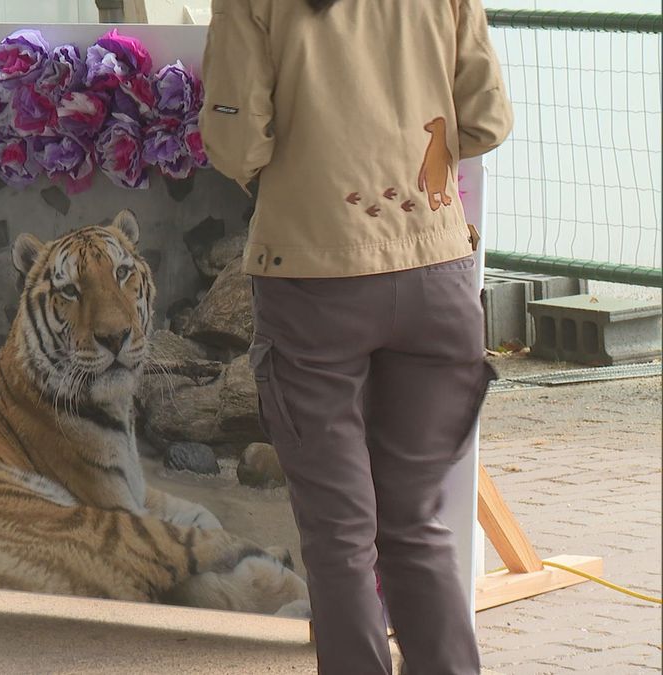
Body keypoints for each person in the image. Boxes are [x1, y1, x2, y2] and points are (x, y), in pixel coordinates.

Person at [199, 1, 512, 674]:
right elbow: (487, 120)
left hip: (312, 278)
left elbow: (237, 143)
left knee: (341, 539)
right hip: (437, 272)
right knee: (418, 527)